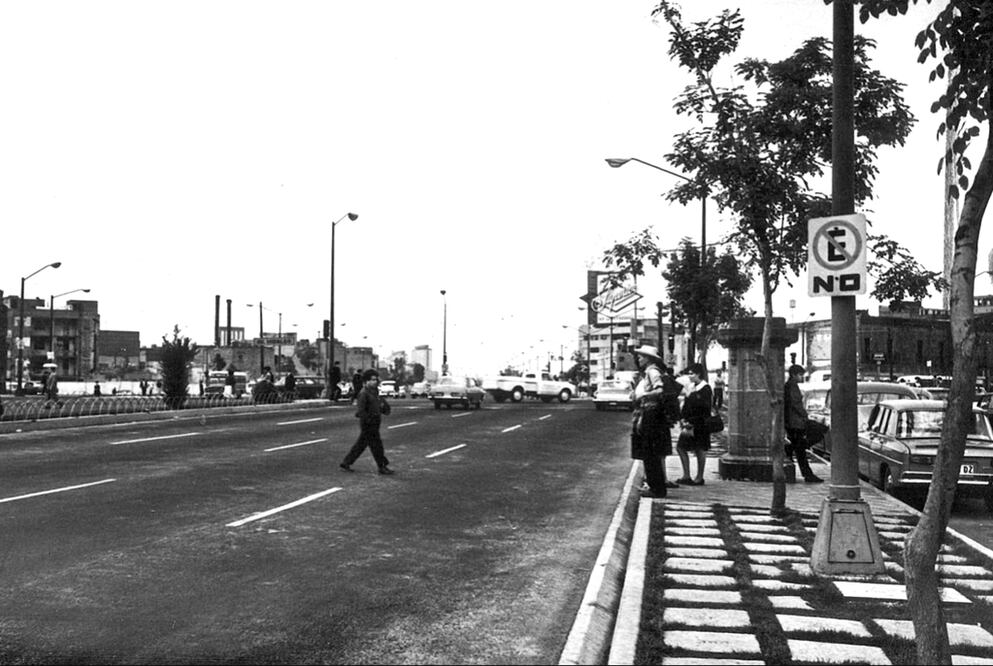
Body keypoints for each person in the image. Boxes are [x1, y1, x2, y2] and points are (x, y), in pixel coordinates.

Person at [630, 345, 678, 498]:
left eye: (642, 356)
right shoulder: (648, 373)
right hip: (649, 413)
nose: (639, 358)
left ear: (649, 358)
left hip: (652, 414)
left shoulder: (652, 371)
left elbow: (659, 390)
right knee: (649, 452)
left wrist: (643, 395)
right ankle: (655, 486)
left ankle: (656, 488)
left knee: (650, 453)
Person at [340, 369, 394, 475]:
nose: (375, 381)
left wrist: (384, 409)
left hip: (375, 421)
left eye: (376, 379)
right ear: (366, 381)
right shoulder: (363, 393)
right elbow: (361, 410)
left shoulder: (375, 392)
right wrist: (367, 421)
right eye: (372, 380)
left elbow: (381, 405)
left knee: (361, 445)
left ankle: (346, 462)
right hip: (368, 424)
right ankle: (382, 466)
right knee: (377, 446)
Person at [785, 364, 823, 483]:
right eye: (800, 375)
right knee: (819, 432)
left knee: (800, 449)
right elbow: (796, 404)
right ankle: (807, 474)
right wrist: (805, 416)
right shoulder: (792, 386)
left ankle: (791, 449)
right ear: (794, 375)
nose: (802, 377)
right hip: (796, 422)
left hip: (792, 422)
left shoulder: (789, 386)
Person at [676, 363, 713, 485]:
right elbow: (686, 405)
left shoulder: (706, 388)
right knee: (681, 447)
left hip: (700, 424)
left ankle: (699, 476)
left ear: (699, 374)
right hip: (688, 424)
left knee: (700, 449)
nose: (689, 376)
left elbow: (705, 408)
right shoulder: (691, 387)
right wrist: (683, 419)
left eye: (691, 373)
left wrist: (692, 421)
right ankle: (686, 475)